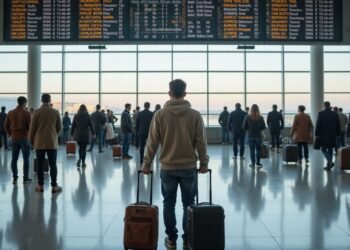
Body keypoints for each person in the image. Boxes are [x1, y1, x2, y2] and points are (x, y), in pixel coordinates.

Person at [141, 79, 209, 249]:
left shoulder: (160, 115)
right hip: (188, 167)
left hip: (168, 167)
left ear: (169, 93)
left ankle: (171, 239)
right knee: (189, 203)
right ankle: (187, 238)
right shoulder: (195, 115)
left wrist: (146, 164)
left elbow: (152, 143)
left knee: (168, 203)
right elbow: (201, 142)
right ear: (185, 93)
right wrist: (204, 163)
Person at [30, 93, 62, 193]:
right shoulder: (55, 112)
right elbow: (59, 128)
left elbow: (32, 128)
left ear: (41, 100)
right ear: (50, 100)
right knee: (53, 164)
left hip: (39, 142)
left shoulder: (36, 112)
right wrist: (53, 135)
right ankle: (54, 186)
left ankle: (40, 185)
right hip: (52, 142)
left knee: (40, 164)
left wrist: (32, 141)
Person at [4, 97, 31, 184]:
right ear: (24, 103)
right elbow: (30, 127)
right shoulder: (27, 113)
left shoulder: (11, 112)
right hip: (24, 138)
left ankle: (15, 177)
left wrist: (10, 133)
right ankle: (25, 178)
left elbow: (6, 125)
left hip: (14, 138)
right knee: (26, 159)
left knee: (14, 158)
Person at [315, 101, 340, 171]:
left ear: (324, 106)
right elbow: (338, 125)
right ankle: (328, 166)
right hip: (332, 134)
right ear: (329, 105)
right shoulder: (335, 114)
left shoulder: (321, 114)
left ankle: (330, 162)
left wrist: (316, 134)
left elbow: (318, 125)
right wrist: (338, 134)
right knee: (330, 149)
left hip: (323, 135)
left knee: (323, 149)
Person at [243, 104, 266, 169]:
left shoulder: (247, 117)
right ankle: (258, 162)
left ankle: (253, 163)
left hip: (250, 136)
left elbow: (244, 127)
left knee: (252, 150)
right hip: (259, 136)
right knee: (258, 150)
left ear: (251, 109)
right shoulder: (261, 117)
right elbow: (263, 127)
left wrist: (249, 128)